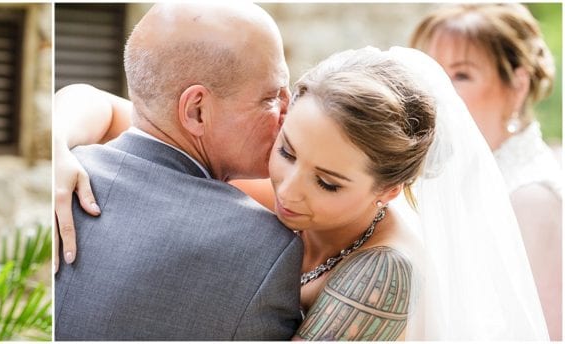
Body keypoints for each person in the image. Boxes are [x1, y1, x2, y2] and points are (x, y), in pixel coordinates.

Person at [54, 45, 551, 339]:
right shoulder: (286, 163)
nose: (289, 189)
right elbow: (98, 104)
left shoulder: (386, 273)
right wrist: (56, 145)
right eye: (287, 151)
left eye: (329, 183)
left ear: (390, 190)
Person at [54, 3, 303, 340]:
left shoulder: (60, 180)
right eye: (272, 97)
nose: (289, 114)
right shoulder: (263, 246)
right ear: (197, 111)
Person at [410, 4, 562, 338]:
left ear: (518, 86)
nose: (438, 92)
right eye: (434, 73)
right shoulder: (449, 174)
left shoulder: (532, 198)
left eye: (461, 75)